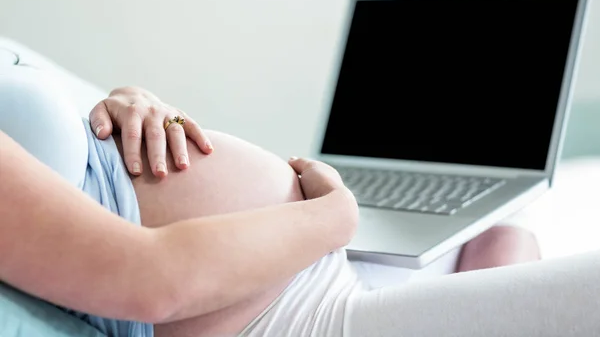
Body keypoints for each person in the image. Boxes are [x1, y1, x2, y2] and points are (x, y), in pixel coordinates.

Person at [0, 60, 598, 337]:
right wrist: (333, 217)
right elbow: (154, 280)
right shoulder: (329, 226)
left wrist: (127, 102)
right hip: (292, 316)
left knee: (504, 224)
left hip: (302, 269)